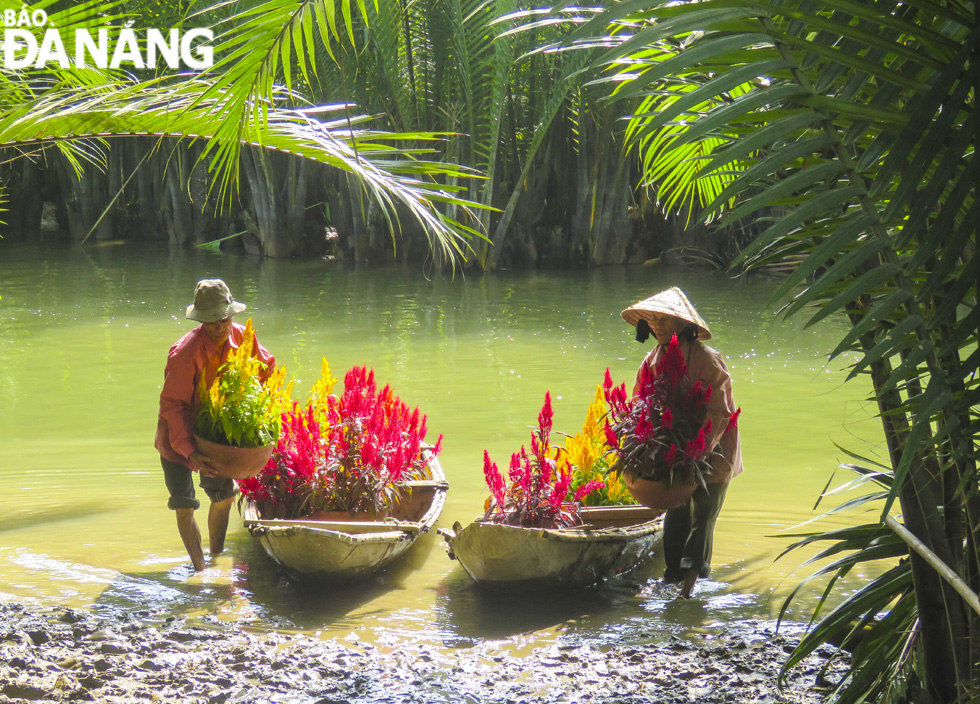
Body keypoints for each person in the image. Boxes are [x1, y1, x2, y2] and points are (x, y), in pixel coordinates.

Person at [621, 286, 742, 598]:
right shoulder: (651, 360)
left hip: (712, 450)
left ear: (683, 325)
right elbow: (639, 406)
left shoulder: (706, 359)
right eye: (653, 320)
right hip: (672, 451)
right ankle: (671, 579)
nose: (658, 325)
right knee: (675, 514)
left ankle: (688, 590)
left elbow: (720, 411)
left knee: (704, 514)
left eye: (665, 320)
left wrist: (698, 451)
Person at [154, 279, 275, 571]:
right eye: (211, 321)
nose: (220, 326)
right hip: (177, 434)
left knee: (225, 497)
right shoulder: (186, 352)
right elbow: (174, 405)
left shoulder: (244, 338)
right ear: (201, 321)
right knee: (184, 504)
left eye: (224, 318)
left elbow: (266, 370)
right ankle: (199, 570)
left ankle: (216, 557)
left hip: (215, 435)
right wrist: (191, 453)